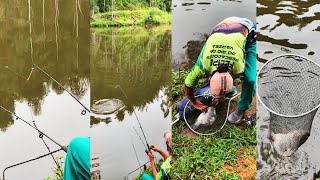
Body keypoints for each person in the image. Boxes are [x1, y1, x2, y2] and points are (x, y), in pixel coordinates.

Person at [177, 16, 256, 124]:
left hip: (246, 29)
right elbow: (187, 86)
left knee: (251, 79)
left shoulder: (239, 67)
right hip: (220, 29)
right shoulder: (202, 65)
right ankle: (230, 90)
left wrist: (223, 89)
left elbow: (246, 79)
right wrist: (195, 103)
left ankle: (242, 107)